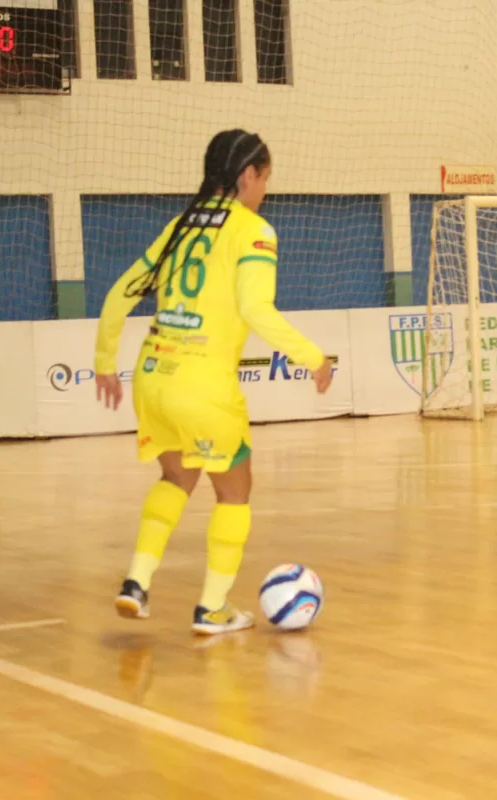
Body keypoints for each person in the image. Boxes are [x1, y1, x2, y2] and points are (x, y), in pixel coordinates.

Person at [93, 129, 334, 635]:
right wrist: (313, 358)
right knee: (235, 491)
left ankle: (136, 582)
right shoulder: (254, 231)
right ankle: (212, 607)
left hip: (153, 378)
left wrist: (104, 363)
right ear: (248, 175)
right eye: (265, 178)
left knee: (176, 478)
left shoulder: (182, 224)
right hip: (203, 385)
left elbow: (119, 293)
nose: (265, 190)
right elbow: (256, 309)